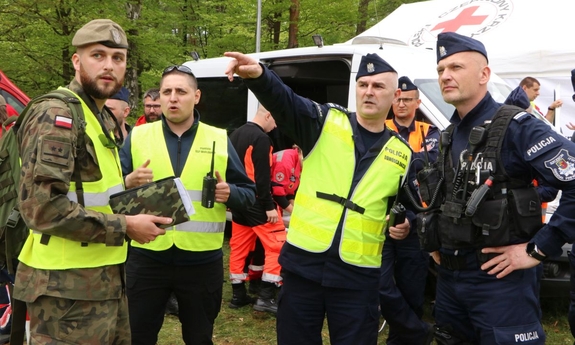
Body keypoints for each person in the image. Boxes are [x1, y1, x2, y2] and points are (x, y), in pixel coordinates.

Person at [224, 51, 416, 345]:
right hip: (304, 268)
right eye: (363, 84)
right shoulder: (325, 122)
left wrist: (406, 225)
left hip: (358, 277)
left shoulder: (403, 154)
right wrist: (260, 77)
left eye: (378, 86)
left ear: (395, 94)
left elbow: (411, 207)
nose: (369, 92)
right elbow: (286, 101)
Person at [12, 19, 172, 344]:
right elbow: (41, 209)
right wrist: (125, 225)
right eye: (97, 55)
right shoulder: (57, 116)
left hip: (105, 282)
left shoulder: (97, 116)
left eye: (118, 58)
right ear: (76, 61)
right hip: (64, 292)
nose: (109, 66)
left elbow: (90, 191)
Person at [422, 31, 575, 344]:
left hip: (501, 285)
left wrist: (540, 247)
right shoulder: (449, 134)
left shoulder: (517, 126)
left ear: (484, 74)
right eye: (441, 70)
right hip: (451, 283)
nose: (446, 76)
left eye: (456, 67)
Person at [119, 64, 256, 345]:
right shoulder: (138, 136)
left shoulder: (219, 138)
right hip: (147, 257)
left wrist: (230, 193)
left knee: (199, 337)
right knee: (138, 337)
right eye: (166, 91)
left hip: (200, 261)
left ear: (196, 96)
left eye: (181, 91)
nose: (172, 98)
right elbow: (108, 191)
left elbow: (250, 195)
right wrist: (126, 181)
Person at [379, 76, 439, 344]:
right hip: (380, 218)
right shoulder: (379, 126)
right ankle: (417, 331)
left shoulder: (430, 132)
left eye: (406, 99)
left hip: (416, 221)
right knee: (378, 285)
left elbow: (431, 170)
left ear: (418, 102)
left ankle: (403, 339)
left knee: (412, 289)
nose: (400, 104)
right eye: (397, 98)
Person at [228, 104, 285, 314]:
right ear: (268, 115)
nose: (276, 125)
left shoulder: (235, 134)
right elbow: (262, 178)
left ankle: (238, 294)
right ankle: (266, 297)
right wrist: (269, 206)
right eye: (275, 120)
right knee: (277, 245)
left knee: (239, 246)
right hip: (256, 201)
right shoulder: (261, 139)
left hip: (238, 200)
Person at [271, 144, 303, 215]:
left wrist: (294, 208)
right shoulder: (286, 162)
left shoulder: (297, 162)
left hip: (275, 202)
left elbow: (289, 189)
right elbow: (277, 194)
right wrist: (296, 214)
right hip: (263, 200)